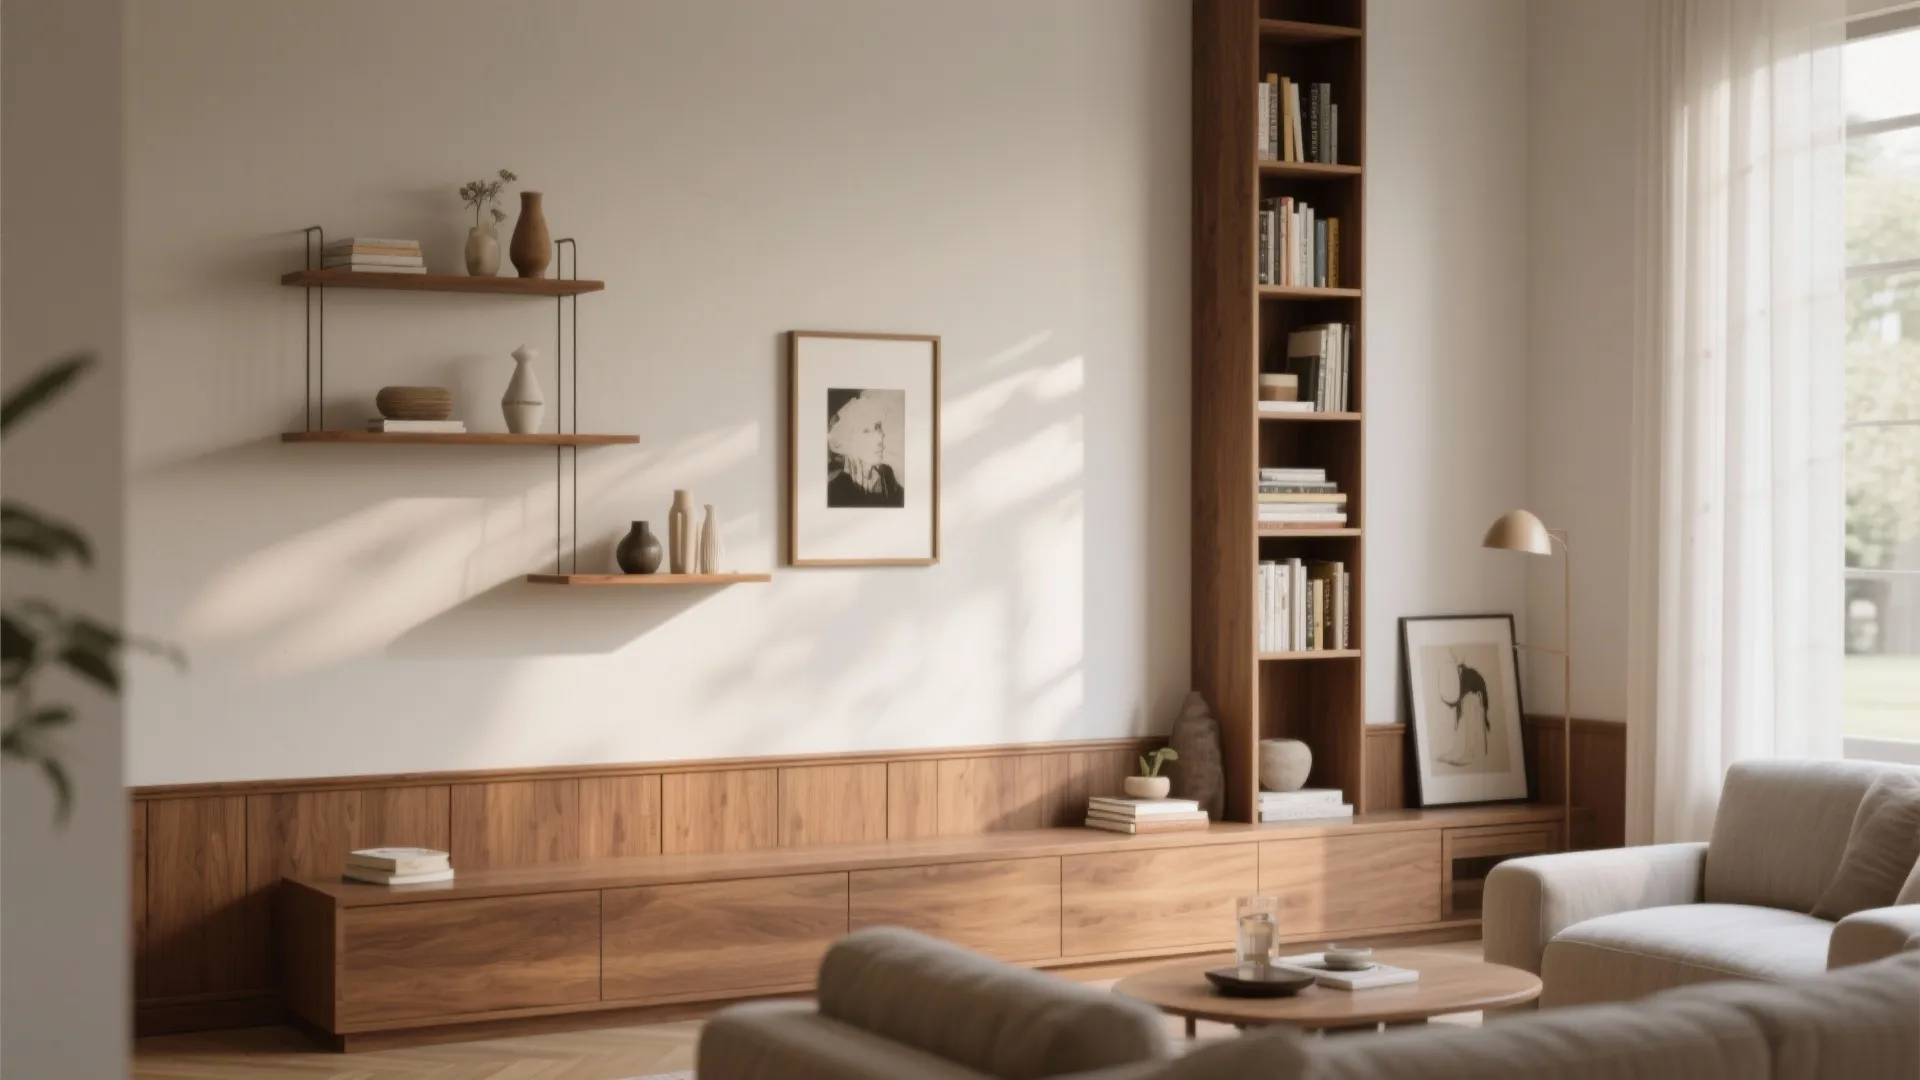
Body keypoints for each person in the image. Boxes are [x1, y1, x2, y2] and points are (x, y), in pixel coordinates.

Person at [827, 391, 905, 507]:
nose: (880, 436)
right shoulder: (836, 489)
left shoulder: (889, 474)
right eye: (867, 431)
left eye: (878, 428)